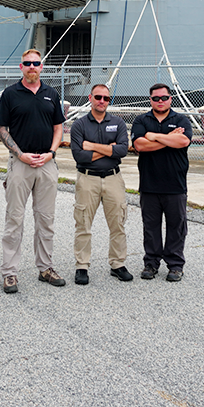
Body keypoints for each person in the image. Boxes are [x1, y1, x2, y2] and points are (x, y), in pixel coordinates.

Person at [0, 49, 66, 293]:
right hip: (20, 164)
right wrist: (20, 154)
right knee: (14, 219)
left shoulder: (51, 94)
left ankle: (45, 268)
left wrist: (52, 153)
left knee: (46, 219)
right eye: (28, 63)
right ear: (21, 67)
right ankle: (9, 272)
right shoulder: (10, 94)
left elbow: (59, 127)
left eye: (36, 63)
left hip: (46, 164)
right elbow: (2, 129)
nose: (32, 67)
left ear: (42, 67)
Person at [69, 84, 132, 285]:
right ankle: (82, 266)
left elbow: (122, 150)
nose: (102, 101)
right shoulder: (79, 125)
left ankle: (117, 264)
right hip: (88, 179)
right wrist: (108, 149)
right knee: (83, 223)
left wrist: (92, 147)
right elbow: (79, 155)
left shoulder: (118, 123)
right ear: (90, 98)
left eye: (106, 98)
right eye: (98, 97)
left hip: (113, 178)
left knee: (117, 224)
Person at [131, 83, 193, 282]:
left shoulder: (181, 119)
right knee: (151, 226)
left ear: (170, 99)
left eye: (164, 98)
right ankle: (151, 263)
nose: (160, 101)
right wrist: (168, 139)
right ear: (150, 99)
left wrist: (154, 136)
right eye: (156, 98)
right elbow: (139, 145)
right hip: (149, 184)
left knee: (176, 226)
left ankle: (175, 265)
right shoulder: (141, 120)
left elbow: (183, 142)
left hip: (175, 184)